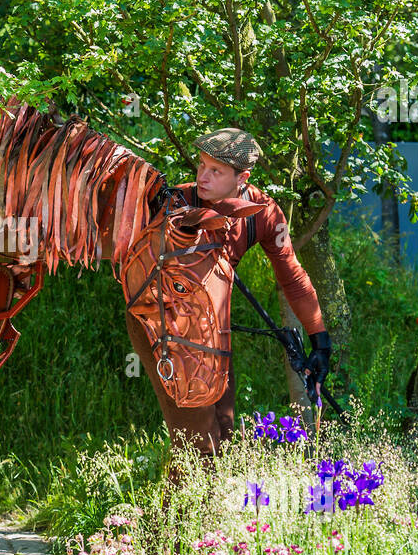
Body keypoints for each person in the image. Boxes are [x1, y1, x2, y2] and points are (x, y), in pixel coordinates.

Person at [124, 126, 332, 463]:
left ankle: (200, 514)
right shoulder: (174, 201)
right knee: (198, 439)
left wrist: (320, 340)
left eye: (215, 171)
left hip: (209, 323)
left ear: (242, 177)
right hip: (159, 320)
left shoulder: (264, 213)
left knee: (224, 429)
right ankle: (176, 517)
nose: (202, 177)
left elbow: (292, 278)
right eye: (201, 166)